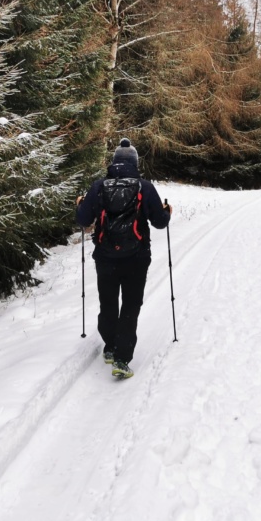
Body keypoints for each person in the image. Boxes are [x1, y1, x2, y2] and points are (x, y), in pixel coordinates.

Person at [76, 138, 171, 379]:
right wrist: (166, 212)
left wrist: (80, 206)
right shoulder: (144, 187)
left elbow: (83, 220)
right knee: (130, 305)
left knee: (108, 302)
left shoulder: (99, 186)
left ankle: (110, 347)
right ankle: (121, 358)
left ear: (114, 162)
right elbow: (159, 222)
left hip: (105, 257)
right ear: (135, 163)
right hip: (136, 258)